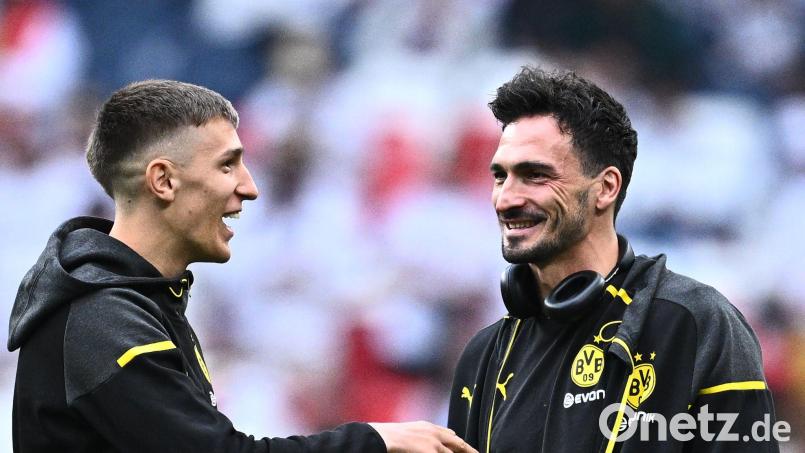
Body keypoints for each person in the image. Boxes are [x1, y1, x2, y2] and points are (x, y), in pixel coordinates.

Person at [8, 80, 477, 453]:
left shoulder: (134, 300)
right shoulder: (104, 320)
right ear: (164, 181)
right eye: (227, 167)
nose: (249, 188)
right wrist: (376, 440)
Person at [446, 67, 779, 452]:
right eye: (500, 176)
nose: (506, 198)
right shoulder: (482, 357)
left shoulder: (695, 323)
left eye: (535, 175)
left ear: (606, 188)